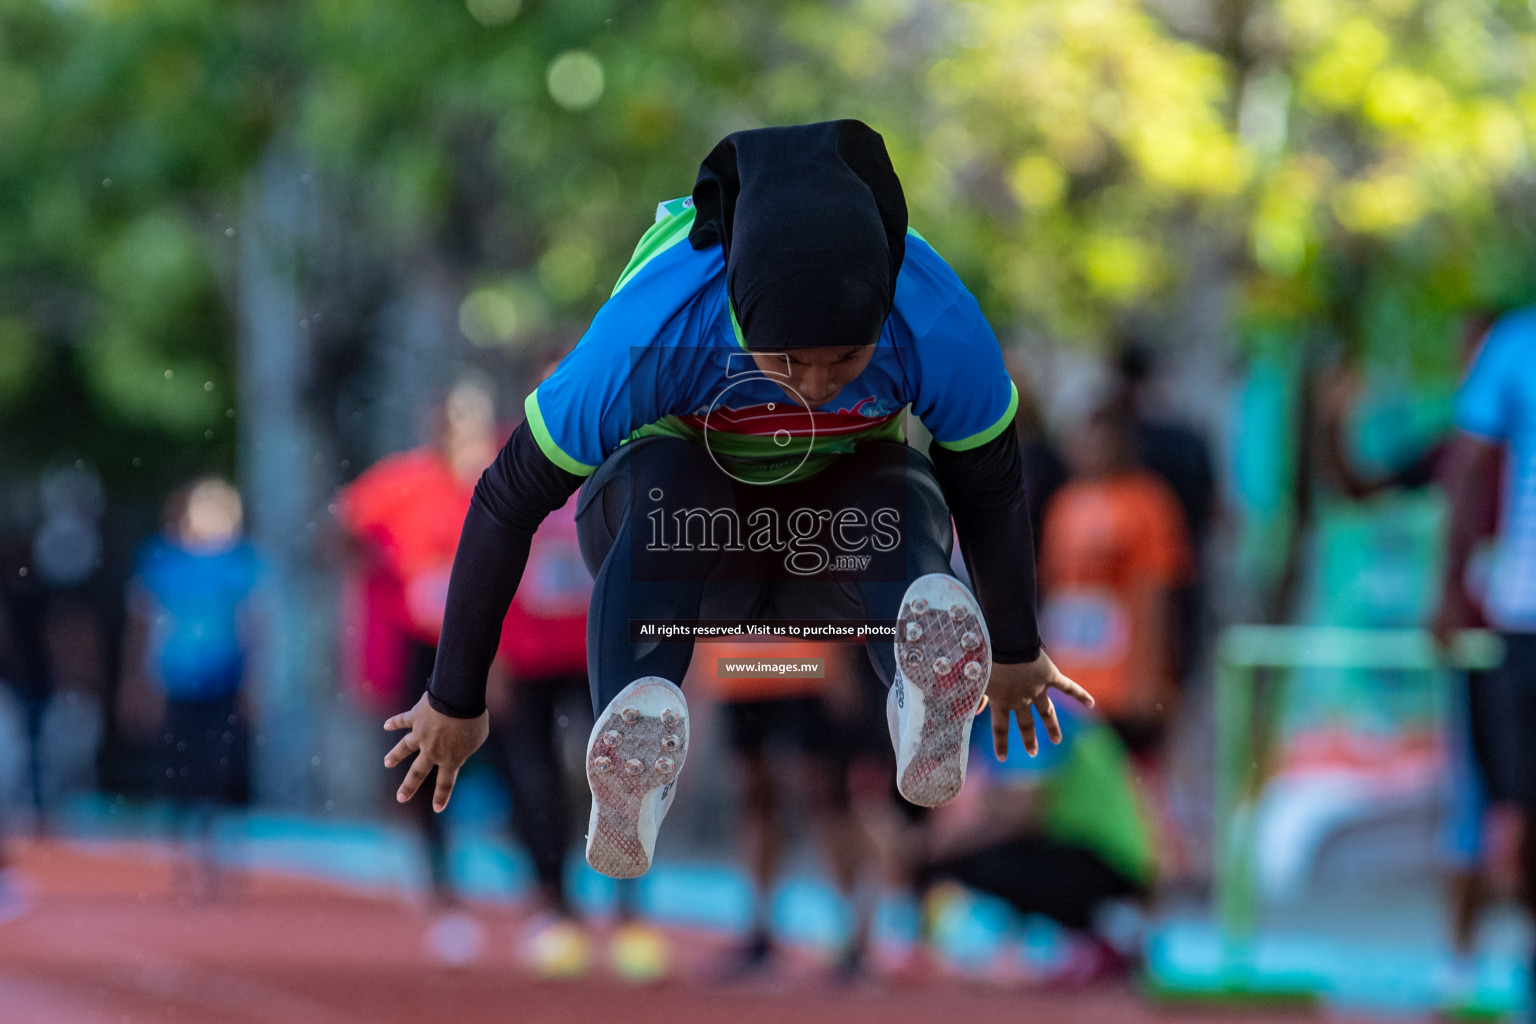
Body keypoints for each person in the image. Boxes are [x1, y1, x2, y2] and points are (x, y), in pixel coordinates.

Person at [384, 120, 1093, 881]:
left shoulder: (937, 322)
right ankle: (634, 731)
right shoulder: (658, 325)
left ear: (885, 307)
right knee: (667, 475)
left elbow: (989, 485)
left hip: (839, 552)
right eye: (787, 361)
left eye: (848, 360)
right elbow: (506, 498)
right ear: (735, 307)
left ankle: (915, 693)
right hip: (681, 551)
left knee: (902, 481)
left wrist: (1015, 648)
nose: (817, 387)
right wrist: (454, 695)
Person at [1432, 306, 1536, 1018]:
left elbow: (1468, 464)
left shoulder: (1516, 344)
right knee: (1510, 815)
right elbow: (1466, 464)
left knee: (1514, 815)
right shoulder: (1516, 343)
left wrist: (1448, 586)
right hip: (1521, 618)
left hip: (1521, 622)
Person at [913, 699, 1155, 986]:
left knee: (976, 870)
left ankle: (1087, 941)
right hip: (1097, 856)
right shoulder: (1009, 709)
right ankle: (1072, 941)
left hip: (1109, 862)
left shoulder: (1024, 704)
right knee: (974, 866)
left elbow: (1024, 808)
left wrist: (935, 851)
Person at [117, 478, 265, 901]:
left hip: (224, 681)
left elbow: (255, 625)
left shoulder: (242, 562)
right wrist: (136, 682)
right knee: (181, 770)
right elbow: (142, 623)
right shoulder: (160, 560)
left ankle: (220, 853)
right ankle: (185, 856)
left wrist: (255, 682)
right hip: (178, 681)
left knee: (222, 769)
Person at [1038, 399, 1193, 756]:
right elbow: (1053, 593)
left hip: (1122, 684)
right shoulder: (1063, 503)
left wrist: (1148, 684)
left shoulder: (1147, 503)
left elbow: (1156, 592)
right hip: (1068, 679)